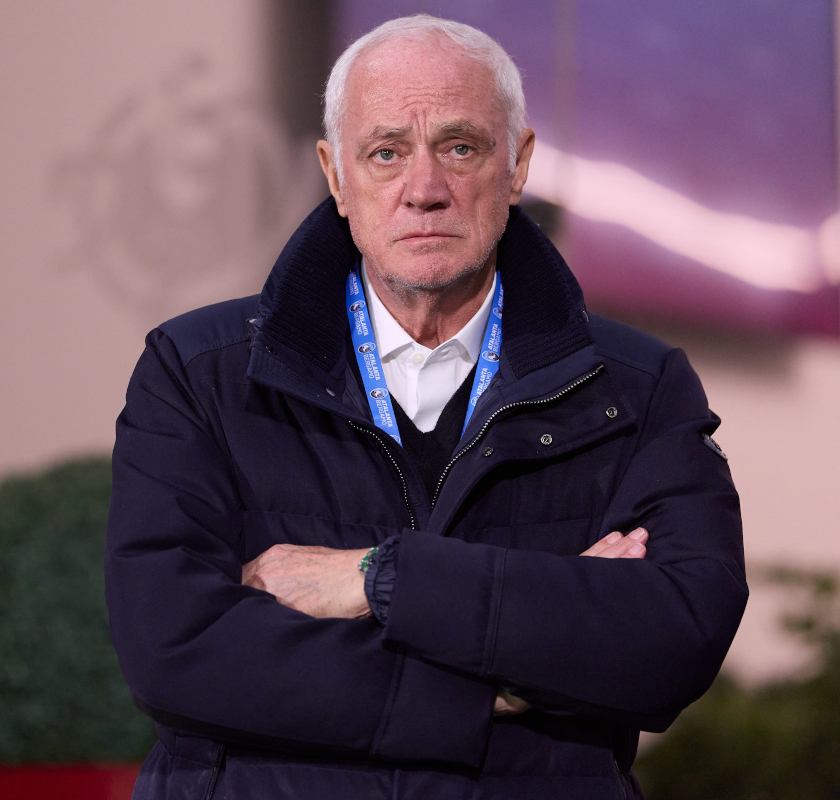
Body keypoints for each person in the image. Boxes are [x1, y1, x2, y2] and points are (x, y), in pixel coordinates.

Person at [105, 14, 746, 800]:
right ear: (336, 176)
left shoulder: (638, 388)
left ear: (518, 166)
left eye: (460, 147)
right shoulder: (197, 372)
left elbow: (675, 638)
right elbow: (175, 649)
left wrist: (375, 580)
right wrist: (508, 672)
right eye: (386, 152)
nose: (425, 190)